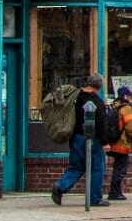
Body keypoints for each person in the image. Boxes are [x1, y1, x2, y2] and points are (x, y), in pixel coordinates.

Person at [52, 74, 110, 206]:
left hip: (76, 136)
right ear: (100, 86)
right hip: (92, 138)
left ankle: (60, 186)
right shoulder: (97, 102)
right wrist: (105, 142)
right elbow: (101, 124)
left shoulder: (76, 97)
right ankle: (95, 198)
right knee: (97, 168)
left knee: (76, 166)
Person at [105, 86, 132, 201]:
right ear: (125, 97)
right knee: (120, 169)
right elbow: (131, 127)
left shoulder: (115, 106)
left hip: (114, 142)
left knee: (118, 167)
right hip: (122, 143)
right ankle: (115, 192)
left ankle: (114, 191)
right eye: (131, 97)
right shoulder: (126, 108)